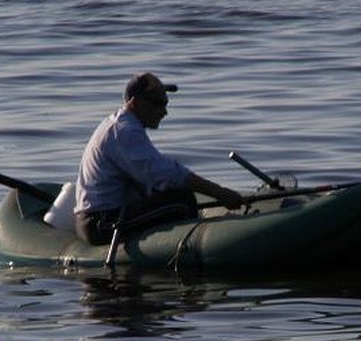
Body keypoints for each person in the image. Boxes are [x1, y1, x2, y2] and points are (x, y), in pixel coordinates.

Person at [74, 72, 244, 246]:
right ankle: (190, 248)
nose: (164, 112)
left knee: (168, 195)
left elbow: (153, 177)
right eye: (158, 104)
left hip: (103, 216)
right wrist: (219, 192)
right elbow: (166, 173)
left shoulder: (123, 124)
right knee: (182, 201)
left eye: (165, 103)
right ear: (135, 102)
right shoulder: (125, 131)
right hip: (101, 222)